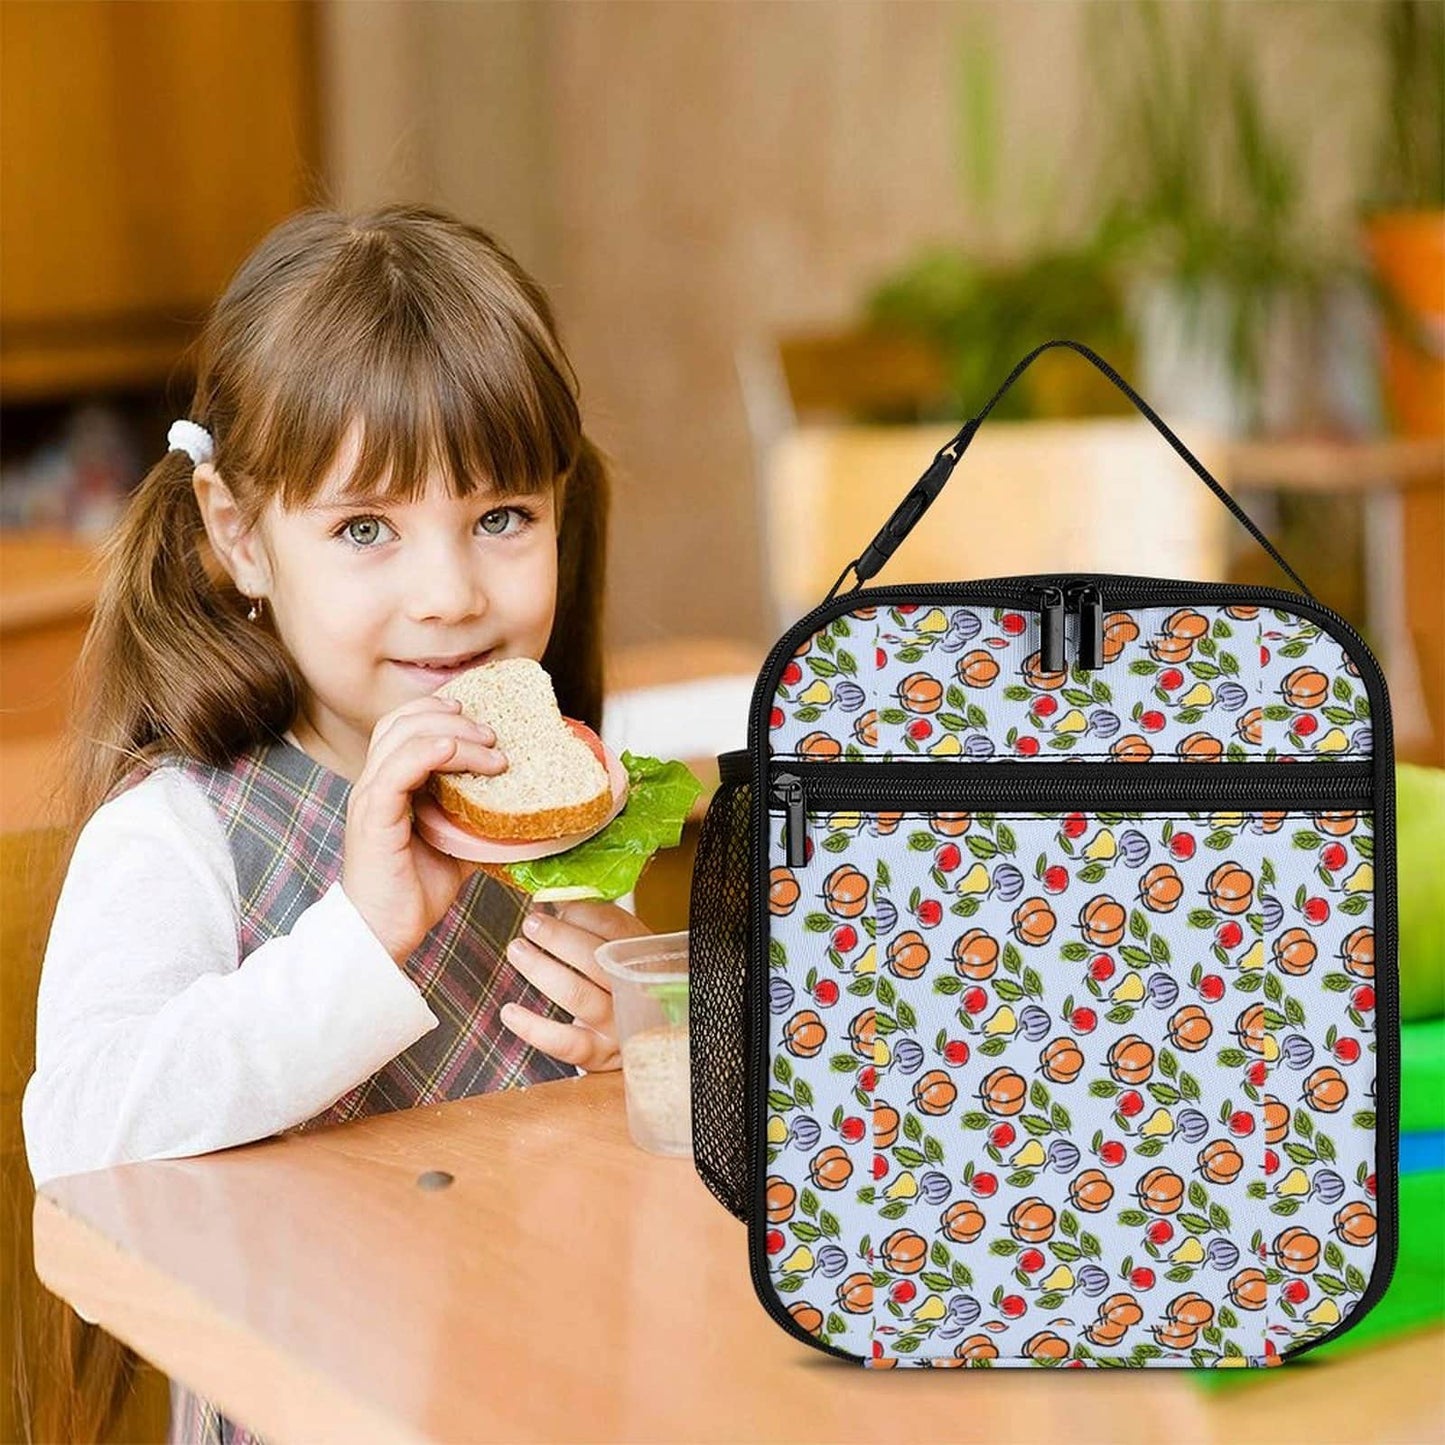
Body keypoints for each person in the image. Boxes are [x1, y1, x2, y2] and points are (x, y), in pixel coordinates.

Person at [21, 203, 652, 1444]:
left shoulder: (563, 809)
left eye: (502, 517)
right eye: (366, 528)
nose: (451, 592)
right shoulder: (181, 835)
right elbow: (81, 1141)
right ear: (238, 534)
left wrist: (637, 1037)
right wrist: (360, 935)